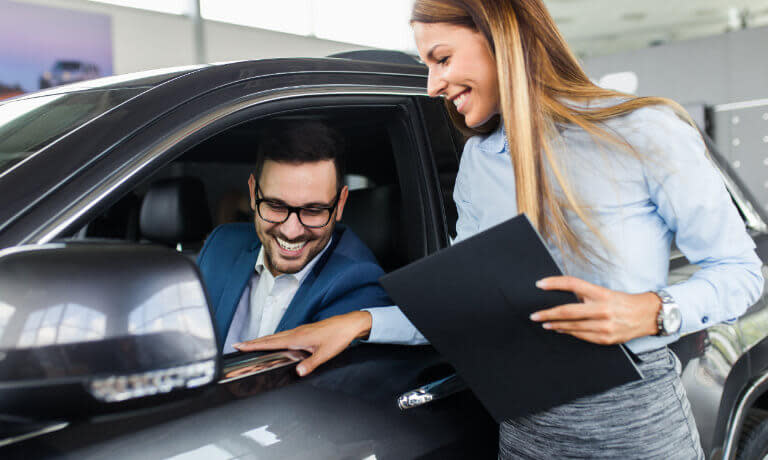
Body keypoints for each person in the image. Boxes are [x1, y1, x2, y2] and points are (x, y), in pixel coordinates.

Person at [235, 1, 764, 457]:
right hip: (524, 436)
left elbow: (742, 274)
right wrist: (358, 323)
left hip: (632, 430)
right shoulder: (479, 163)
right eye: (426, 64)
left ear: (502, 37)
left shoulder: (640, 131)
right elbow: (471, 310)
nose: (433, 84)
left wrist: (651, 309)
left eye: (441, 58)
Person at [197, 121, 391, 352]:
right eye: (275, 206)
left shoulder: (360, 285)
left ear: (340, 204)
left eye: (313, 210)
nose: (291, 231)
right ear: (252, 193)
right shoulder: (221, 244)